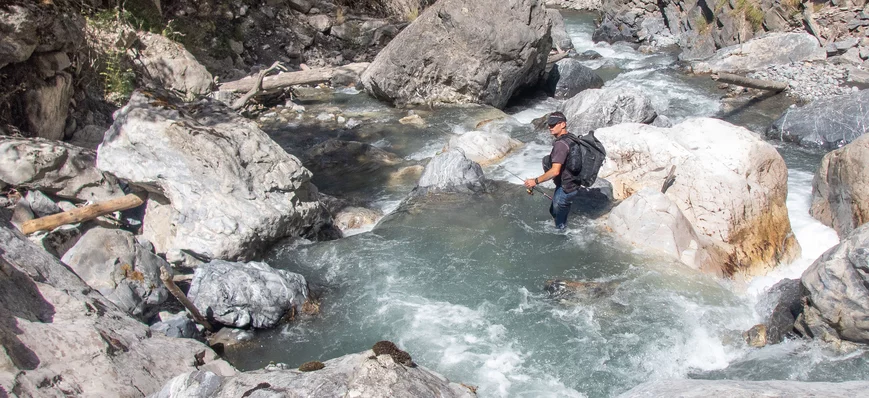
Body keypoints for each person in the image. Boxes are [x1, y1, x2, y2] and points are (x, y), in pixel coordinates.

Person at [524, 111, 580, 229]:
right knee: (554, 211)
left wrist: (535, 181)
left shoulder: (560, 145)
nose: (550, 127)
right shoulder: (571, 138)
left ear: (563, 124)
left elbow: (555, 171)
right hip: (572, 185)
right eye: (549, 125)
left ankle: (561, 237)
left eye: (553, 125)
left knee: (559, 226)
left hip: (565, 189)